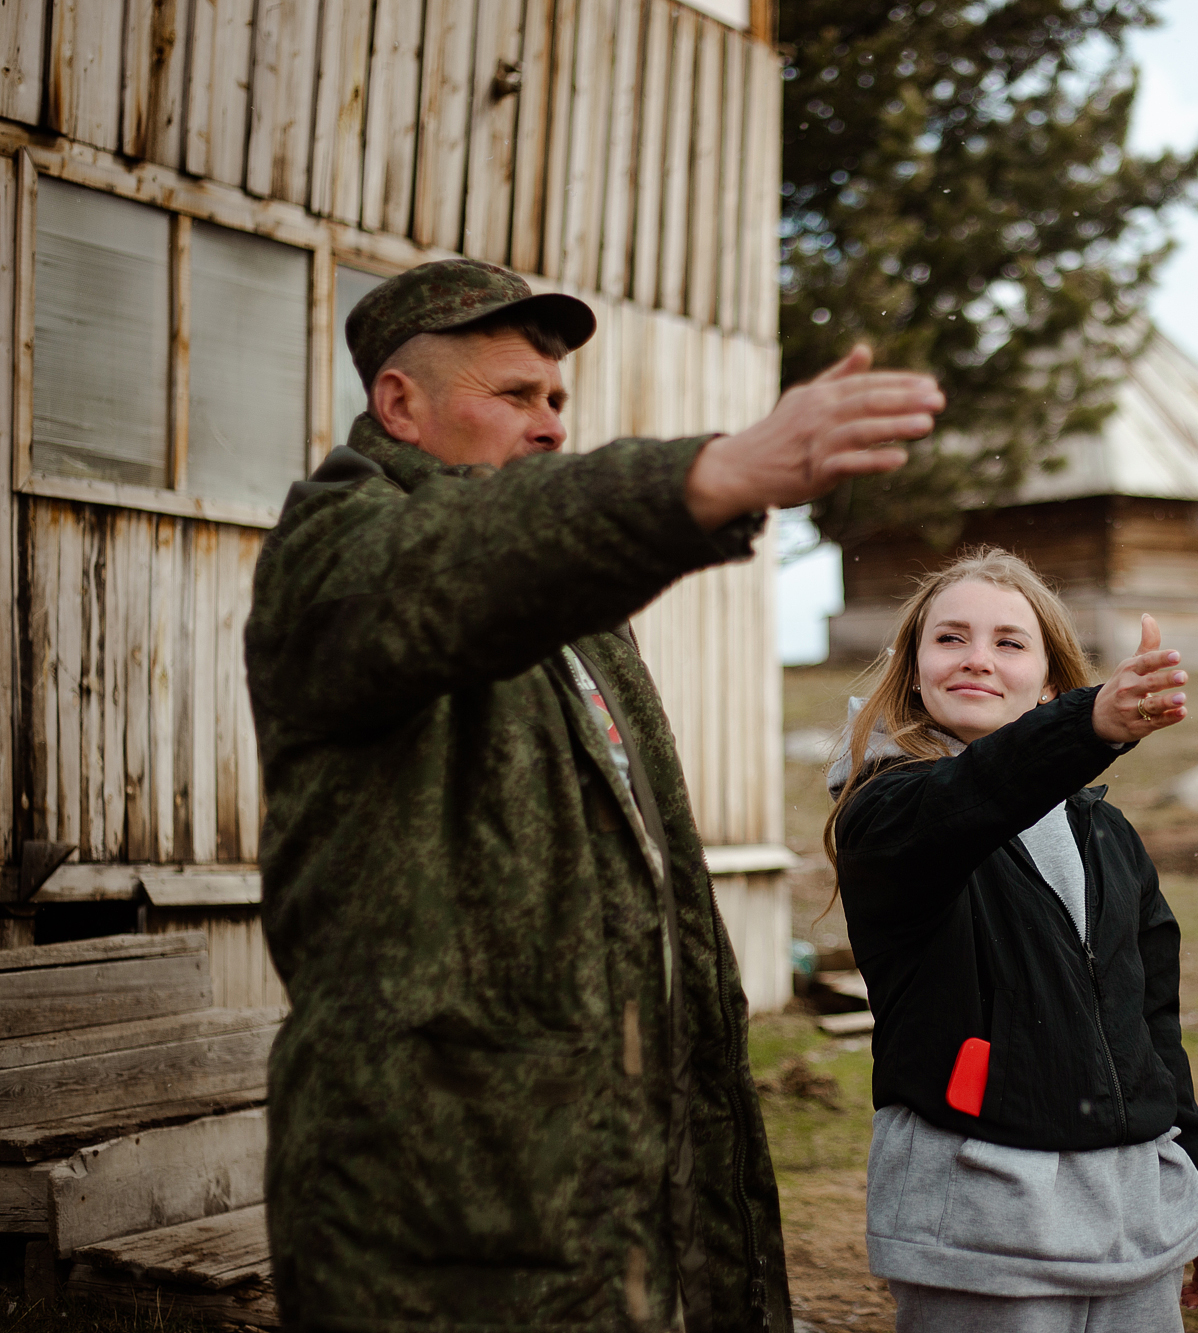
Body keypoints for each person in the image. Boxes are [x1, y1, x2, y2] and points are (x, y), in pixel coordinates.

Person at [246, 257, 941, 1331]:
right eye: (515, 395)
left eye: (559, 400)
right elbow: (463, 565)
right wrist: (710, 472)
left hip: (615, 1200)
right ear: (400, 405)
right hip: (438, 1224)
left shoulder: (574, 614)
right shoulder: (335, 549)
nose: (551, 426)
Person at [824, 548, 1198, 1332]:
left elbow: (1152, 1029)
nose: (977, 658)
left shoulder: (1107, 835)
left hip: (1135, 1227)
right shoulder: (886, 812)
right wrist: (1086, 725)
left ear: (1048, 681)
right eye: (950, 639)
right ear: (915, 672)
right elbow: (971, 795)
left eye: (1009, 642)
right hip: (980, 1225)